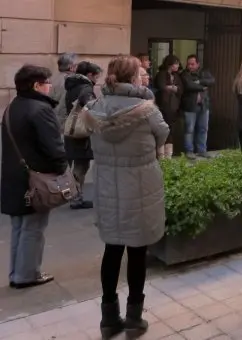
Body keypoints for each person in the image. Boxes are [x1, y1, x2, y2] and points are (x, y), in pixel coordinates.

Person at [81, 55, 170, 339]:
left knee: (112, 249)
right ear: (134, 78)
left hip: (107, 186)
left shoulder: (94, 108)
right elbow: (163, 135)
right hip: (140, 187)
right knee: (136, 252)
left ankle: (108, 320)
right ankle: (134, 318)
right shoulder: (147, 109)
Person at [2, 65, 67, 289]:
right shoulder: (41, 109)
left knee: (20, 227)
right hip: (35, 178)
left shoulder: (12, 107)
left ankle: (16, 272)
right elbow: (54, 146)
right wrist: (61, 169)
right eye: (47, 82)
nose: (50, 86)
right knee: (33, 228)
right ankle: (26, 275)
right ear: (36, 85)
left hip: (14, 176)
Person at [63, 61, 102, 210]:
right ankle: (76, 198)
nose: (97, 79)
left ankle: (73, 195)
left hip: (71, 130)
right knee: (81, 165)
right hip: (81, 132)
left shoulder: (72, 85)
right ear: (90, 75)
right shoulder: (86, 88)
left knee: (76, 164)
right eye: (97, 76)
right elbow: (91, 107)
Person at [180, 54, 215, 159]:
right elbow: (189, 85)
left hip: (204, 105)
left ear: (198, 64)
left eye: (192, 64)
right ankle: (189, 151)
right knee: (189, 129)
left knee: (203, 128)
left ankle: (202, 150)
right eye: (188, 64)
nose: (190, 66)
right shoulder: (184, 74)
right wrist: (202, 87)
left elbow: (212, 81)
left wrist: (199, 81)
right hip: (190, 106)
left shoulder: (204, 72)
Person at [154, 55, 183, 158]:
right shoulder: (161, 74)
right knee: (163, 129)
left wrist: (172, 88)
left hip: (174, 107)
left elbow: (180, 89)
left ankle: (168, 155)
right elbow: (162, 87)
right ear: (170, 64)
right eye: (176, 63)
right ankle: (161, 154)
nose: (178, 66)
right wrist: (172, 88)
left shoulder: (176, 76)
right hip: (163, 106)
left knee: (171, 130)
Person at [49, 53, 77, 126]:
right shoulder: (71, 82)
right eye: (76, 65)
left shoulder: (52, 79)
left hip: (51, 119)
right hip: (63, 123)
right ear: (71, 67)